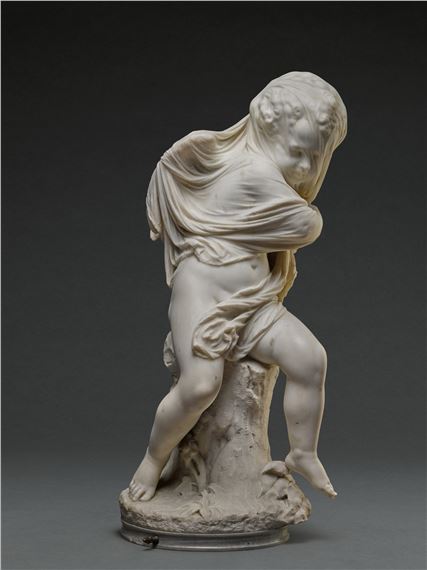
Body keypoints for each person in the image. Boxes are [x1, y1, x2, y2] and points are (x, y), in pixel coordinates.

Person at [129, 71, 347, 502]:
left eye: (315, 157)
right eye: (298, 152)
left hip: (253, 301)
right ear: (267, 125)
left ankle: (303, 452)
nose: (306, 169)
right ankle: (153, 459)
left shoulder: (265, 170)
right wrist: (311, 212)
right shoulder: (253, 173)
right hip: (204, 295)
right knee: (199, 385)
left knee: (310, 360)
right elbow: (306, 226)